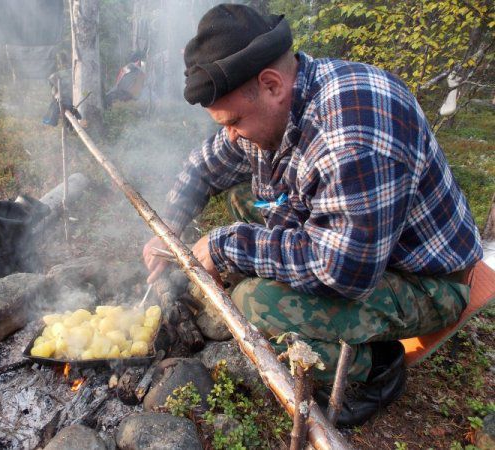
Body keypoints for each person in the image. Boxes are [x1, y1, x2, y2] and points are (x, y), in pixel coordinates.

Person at [142, 4, 483, 426]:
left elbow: (341, 270)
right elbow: (204, 166)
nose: (229, 134)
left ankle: (375, 367)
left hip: (421, 278)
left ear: (270, 85)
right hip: (350, 238)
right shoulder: (282, 102)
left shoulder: (352, 139)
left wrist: (226, 246)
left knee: (252, 299)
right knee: (239, 194)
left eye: (233, 122)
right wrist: (170, 226)